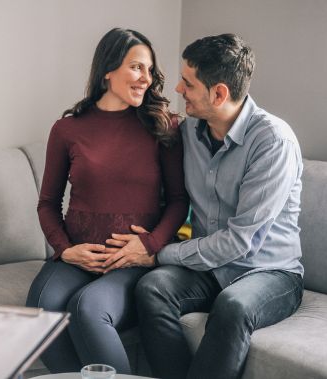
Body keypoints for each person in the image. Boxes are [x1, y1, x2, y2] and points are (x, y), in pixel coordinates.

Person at [122, 34, 304, 379]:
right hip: (210, 270)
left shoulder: (273, 142)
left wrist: (158, 254)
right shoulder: (190, 132)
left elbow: (239, 243)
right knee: (151, 288)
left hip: (269, 271)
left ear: (218, 93)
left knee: (233, 306)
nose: (178, 89)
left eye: (187, 83)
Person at [26, 27, 189, 374]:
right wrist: (65, 249)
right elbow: (48, 204)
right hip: (76, 257)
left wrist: (148, 245)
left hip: (132, 261)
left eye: (149, 70)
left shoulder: (164, 125)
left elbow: (178, 201)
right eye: (136, 67)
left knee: (89, 307)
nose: (145, 78)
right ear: (107, 71)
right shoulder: (67, 129)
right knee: (42, 308)